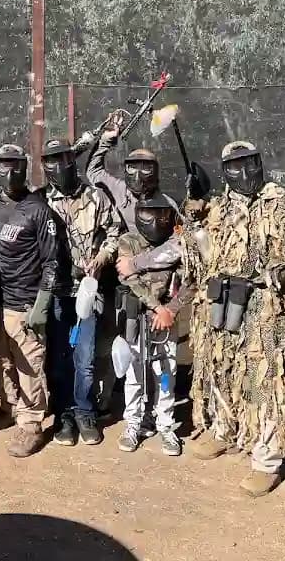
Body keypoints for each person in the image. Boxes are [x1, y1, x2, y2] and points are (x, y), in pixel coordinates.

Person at [181, 141, 285, 497]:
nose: (244, 173)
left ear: (260, 164)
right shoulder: (219, 208)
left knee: (264, 383)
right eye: (234, 166)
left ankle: (266, 462)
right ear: (224, 172)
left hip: (264, 309)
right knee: (218, 369)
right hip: (220, 304)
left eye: (250, 163)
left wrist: (278, 276)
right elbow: (199, 258)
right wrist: (193, 220)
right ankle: (223, 431)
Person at [38, 138, 120, 447]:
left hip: (89, 290)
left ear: (73, 160)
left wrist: (101, 258)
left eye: (63, 159)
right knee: (59, 357)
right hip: (58, 291)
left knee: (84, 357)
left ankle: (85, 411)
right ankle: (64, 415)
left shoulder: (96, 197)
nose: (58, 167)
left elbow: (114, 233)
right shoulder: (42, 201)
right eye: (51, 161)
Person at [0, 143, 63, 458]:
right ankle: (10, 409)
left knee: (29, 366)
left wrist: (41, 305)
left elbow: (52, 262)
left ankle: (31, 423)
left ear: (25, 168)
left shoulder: (38, 209)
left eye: (16, 165)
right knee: (2, 361)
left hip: (25, 304)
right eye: (3, 165)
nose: (10, 171)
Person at [114, 193, 191, 457]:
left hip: (166, 319)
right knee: (135, 374)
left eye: (163, 216)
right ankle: (133, 422)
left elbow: (191, 279)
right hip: (138, 317)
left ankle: (165, 424)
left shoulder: (178, 241)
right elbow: (128, 280)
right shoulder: (129, 241)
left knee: (166, 373)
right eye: (149, 216)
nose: (156, 222)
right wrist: (157, 307)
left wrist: (170, 309)